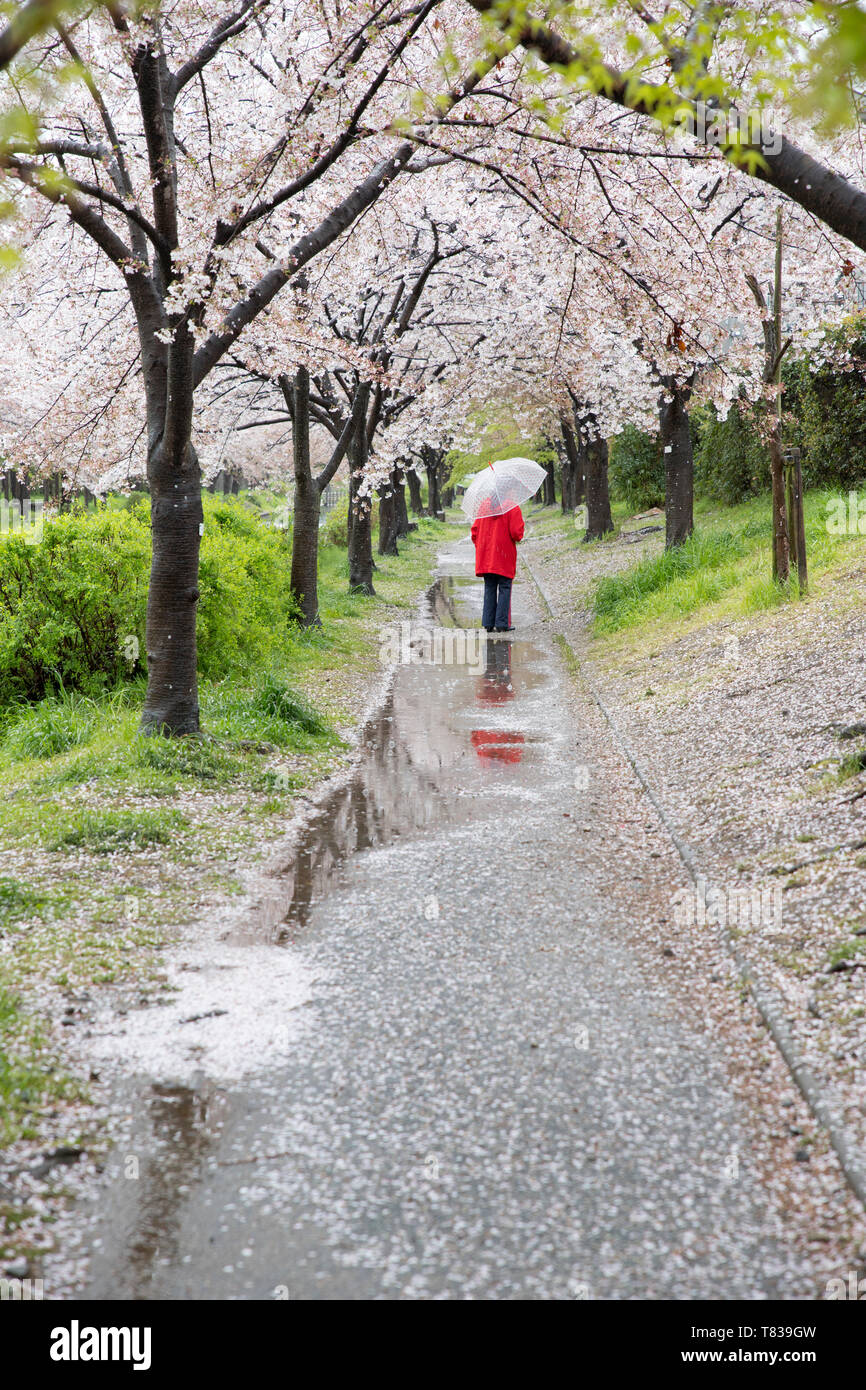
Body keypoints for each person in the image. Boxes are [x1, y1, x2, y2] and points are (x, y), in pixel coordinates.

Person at [470, 501, 525, 633]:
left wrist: (482, 546)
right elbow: (517, 534)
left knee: (489, 587)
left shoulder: (483, 507)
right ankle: (502, 623)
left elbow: (474, 532)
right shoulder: (512, 507)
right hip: (504, 555)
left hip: (486, 555)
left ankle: (488, 623)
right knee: (505, 587)